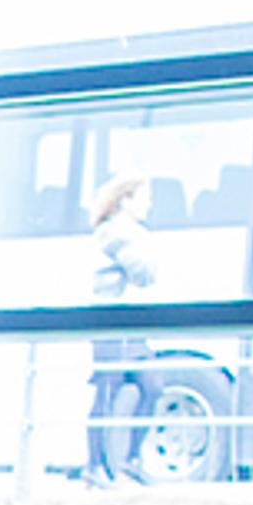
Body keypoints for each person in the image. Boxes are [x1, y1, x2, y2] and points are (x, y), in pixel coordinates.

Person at [82, 173, 161, 483]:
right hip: (110, 326)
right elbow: (143, 273)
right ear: (125, 200)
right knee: (107, 392)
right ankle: (96, 467)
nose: (149, 205)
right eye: (144, 197)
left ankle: (130, 460)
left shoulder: (132, 234)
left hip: (132, 327)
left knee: (152, 386)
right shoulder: (113, 233)